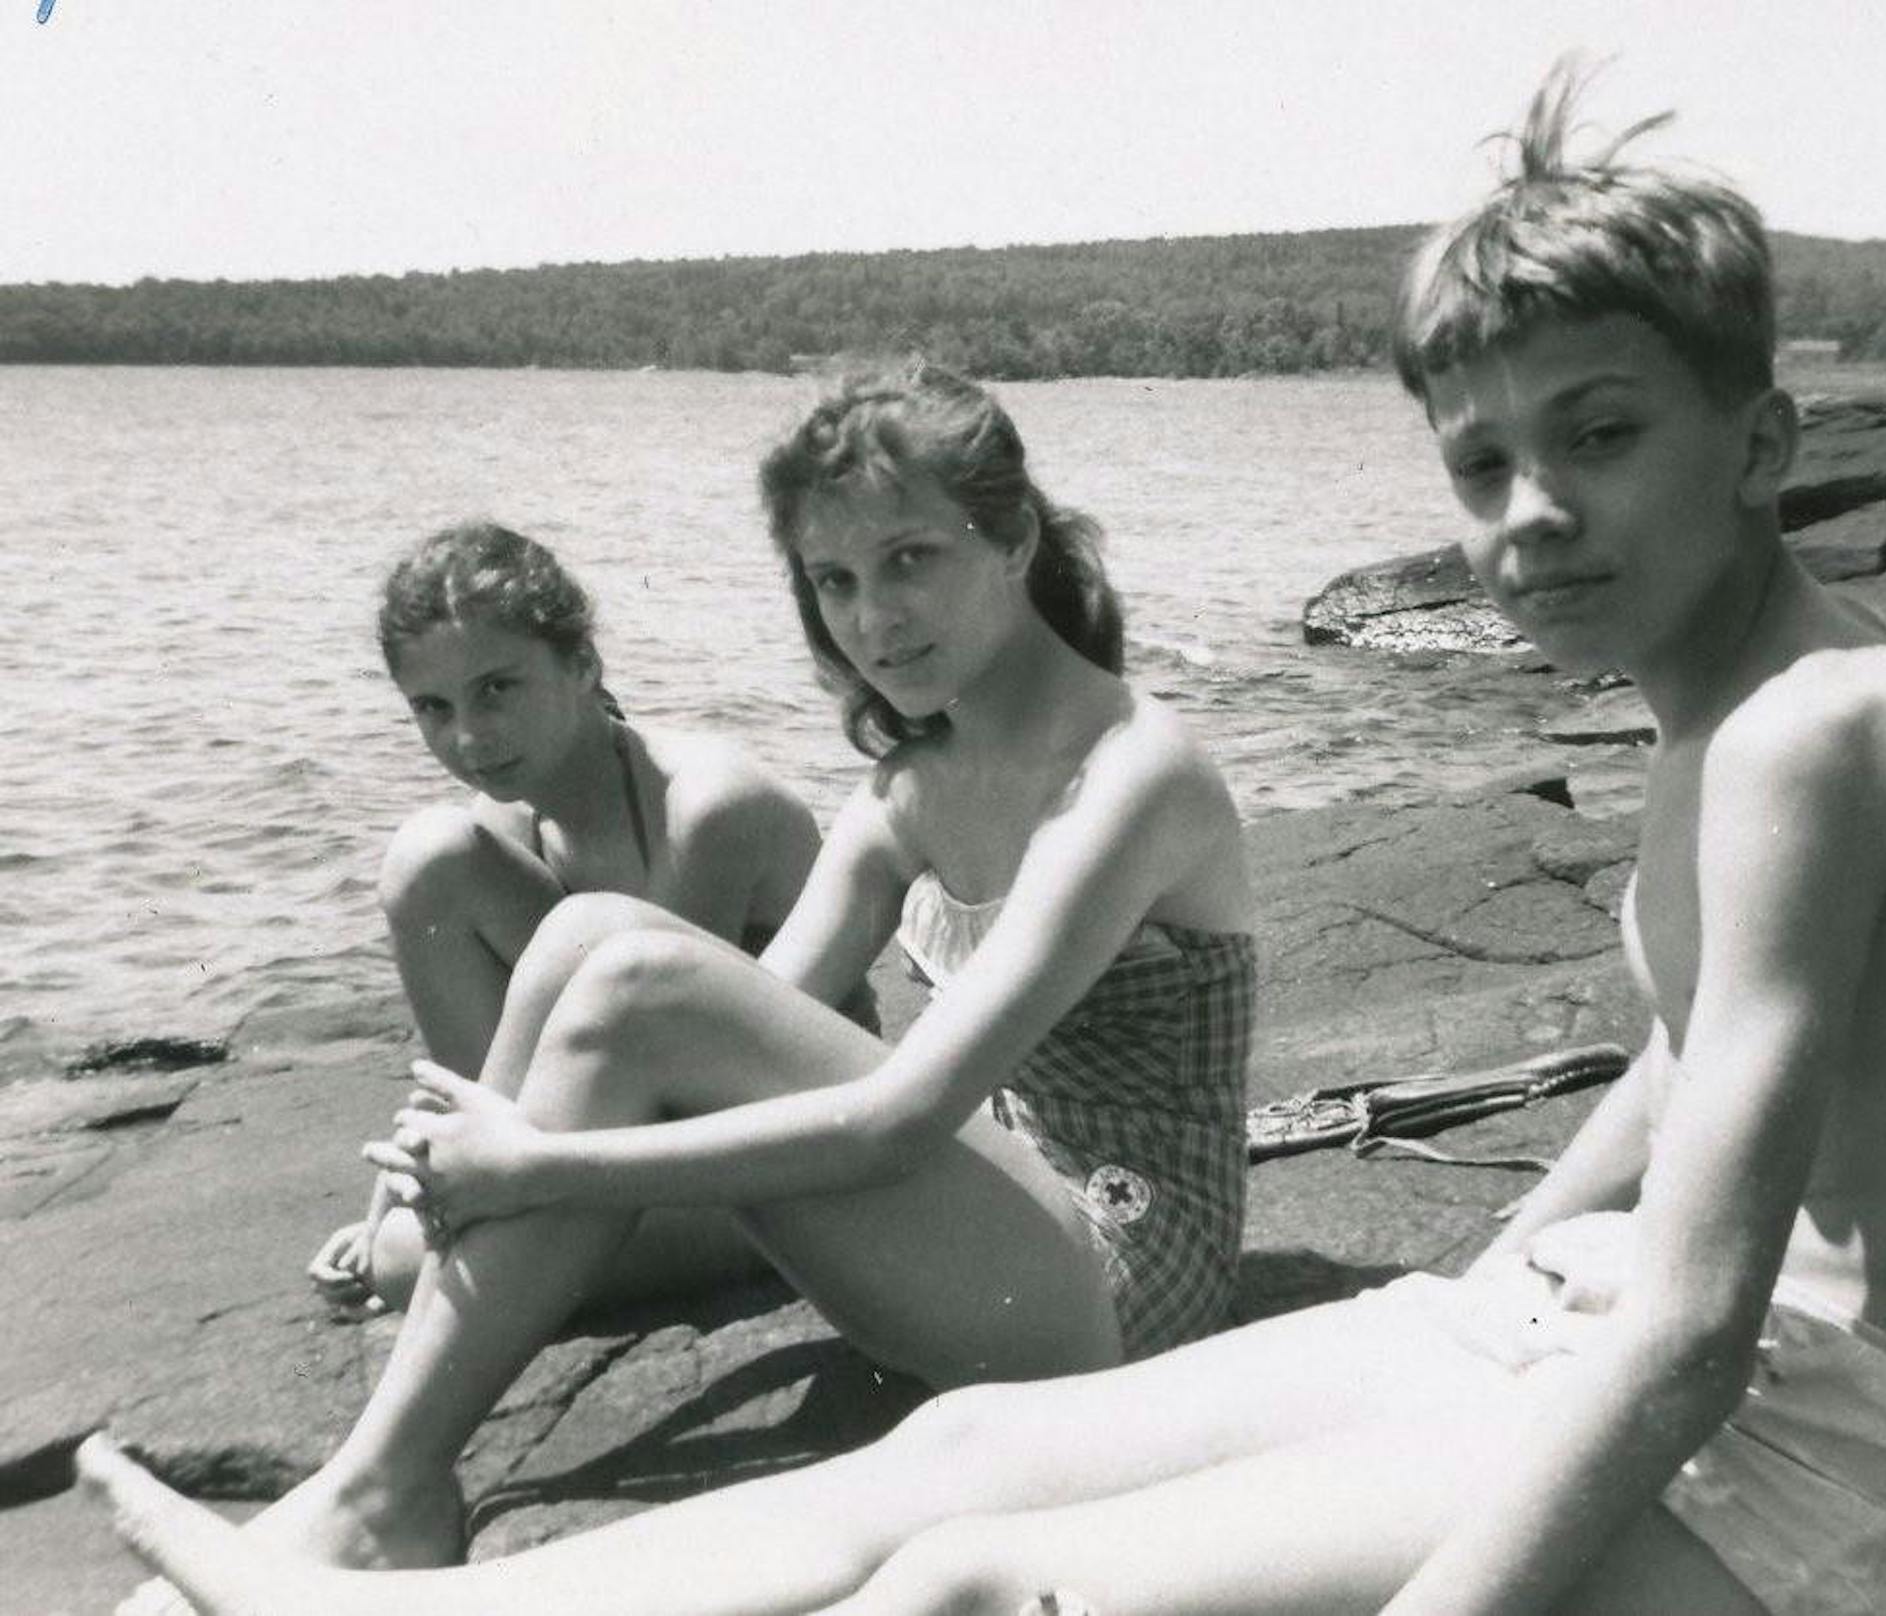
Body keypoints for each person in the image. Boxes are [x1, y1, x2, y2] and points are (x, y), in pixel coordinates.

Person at [82, 70, 1886, 1616]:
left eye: (1602, 431)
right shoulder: (1738, 692)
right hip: (1603, 1315)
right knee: (949, 1455)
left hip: (1814, 1434)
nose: (1528, 509)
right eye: (1482, 459)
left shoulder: (1816, 735)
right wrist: (1482, 1284)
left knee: (980, 1582)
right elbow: (1691, 1044)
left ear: (1765, 443)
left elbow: (1708, 1333)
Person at [95, 360, 1256, 1615]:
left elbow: (899, 1116)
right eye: (836, 581)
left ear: (1014, 534)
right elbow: (749, 1010)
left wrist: (540, 1171)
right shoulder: (911, 785)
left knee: (633, 969)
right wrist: (498, 1147)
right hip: (986, 1270)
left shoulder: (1135, 772)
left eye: (911, 559)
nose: (873, 620)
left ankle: (384, 1492)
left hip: (1123, 1290)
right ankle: (386, 1469)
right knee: (597, 931)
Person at [308, 520, 849, 1313]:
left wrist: (437, 1218)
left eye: (497, 688)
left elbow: (680, 1085)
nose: (468, 736)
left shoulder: (704, 811)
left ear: (583, 664)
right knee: (428, 858)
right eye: (433, 706)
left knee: (402, 1266)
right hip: (611, 1153)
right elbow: (475, 1075)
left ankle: (487, 1226)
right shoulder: (504, 829)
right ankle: (478, 1213)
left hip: (771, 1170)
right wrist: (392, 1195)